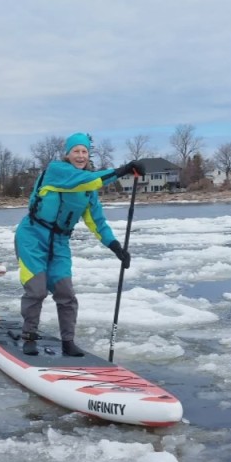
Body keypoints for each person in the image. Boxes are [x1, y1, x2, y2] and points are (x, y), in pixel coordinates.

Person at [14, 132, 145, 357]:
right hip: (33, 236)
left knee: (66, 293)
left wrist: (116, 248)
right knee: (37, 290)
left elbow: (97, 223)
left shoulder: (89, 192)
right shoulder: (56, 171)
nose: (81, 155)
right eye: (76, 151)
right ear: (67, 154)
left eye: (84, 151)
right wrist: (122, 170)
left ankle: (68, 342)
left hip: (60, 242)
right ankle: (29, 337)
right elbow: (84, 180)